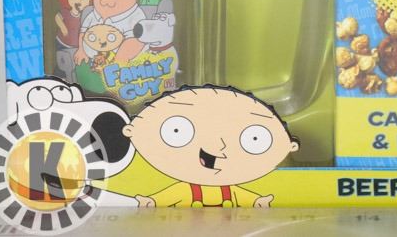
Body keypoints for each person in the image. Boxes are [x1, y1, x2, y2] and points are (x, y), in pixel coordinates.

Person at [123, 85, 300, 207]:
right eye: (176, 131)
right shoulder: (187, 189)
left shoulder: (229, 189)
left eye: (255, 139)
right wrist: (152, 201)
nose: (217, 151)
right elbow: (169, 196)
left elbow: (244, 196)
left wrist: (257, 201)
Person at [75, 0, 146, 65]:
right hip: (93, 62)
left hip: (125, 65)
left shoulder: (135, 15)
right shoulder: (93, 14)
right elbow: (83, 32)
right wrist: (81, 50)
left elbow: (136, 41)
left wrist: (118, 61)